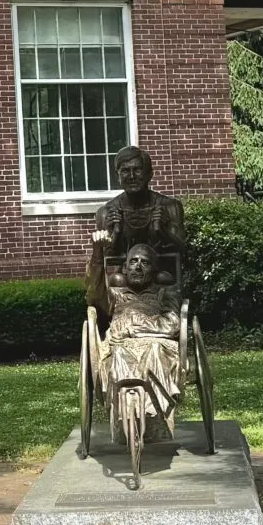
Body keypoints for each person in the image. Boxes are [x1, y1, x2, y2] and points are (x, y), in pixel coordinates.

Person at [102, 240, 185, 478]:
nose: (138, 267)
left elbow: (172, 324)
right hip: (121, 345)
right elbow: (93, 292)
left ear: (154, 270)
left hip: (158, 344)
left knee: (156, 351)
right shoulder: (115, 294)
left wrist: (137, 326)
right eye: (133, 261)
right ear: (125, 268)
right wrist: (98, 255)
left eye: (145, 262)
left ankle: (155, 414)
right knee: (117, 353)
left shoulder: (165, 292)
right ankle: (125, 415)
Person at [88, 143, 189, 321]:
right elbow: (103, 256)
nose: (132, 176)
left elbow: (182, 249)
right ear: (117, 176)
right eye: (125, 171)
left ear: (149, 173)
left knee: (164, 280)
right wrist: (115, 232)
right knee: (116, 281)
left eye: (137, 170)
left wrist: (163, 230)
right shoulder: (106, 212)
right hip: (125, 285)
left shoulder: (169, 207)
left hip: (161, 285)